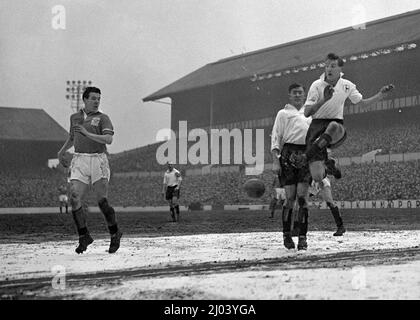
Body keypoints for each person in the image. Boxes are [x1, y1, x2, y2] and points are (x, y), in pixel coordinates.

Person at [294, 53, 394, 184]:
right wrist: (324, 99)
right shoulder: (316, 85)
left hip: (336, 130)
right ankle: (329, 167)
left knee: (333, 126)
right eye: (327, 66)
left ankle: (306, 157)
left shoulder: (347, 85)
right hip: (316, 127)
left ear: (340, 69)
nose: (329, 69)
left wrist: (380, 95)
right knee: (317, 176)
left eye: (333, 66)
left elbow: (363, 104)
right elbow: (307, 113)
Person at [57, 87, 122, 254]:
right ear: (84, 100)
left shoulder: (103, 118)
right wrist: (62, 151)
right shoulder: (75, 117)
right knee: (74, 197)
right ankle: (84, 235)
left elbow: (108, 139)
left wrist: (87, 133)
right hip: (79, 159)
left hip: (98, 160)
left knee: (102, 201)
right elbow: (73, 137)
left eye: (98, 99)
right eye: (93, 98)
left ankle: (115, 232)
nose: (96, 101)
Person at [271, 83, 312, 251]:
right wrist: (275, 159)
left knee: (303, 198)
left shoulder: (310, 113)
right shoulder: (283, 113)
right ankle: (286, 235)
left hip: (305, 154)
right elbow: (276, 136)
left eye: (300, 92)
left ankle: (302, 237)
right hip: (288, 153)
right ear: (290, 95)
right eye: (294, 92)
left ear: (304, 95)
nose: (297, 95)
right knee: (290, 198)